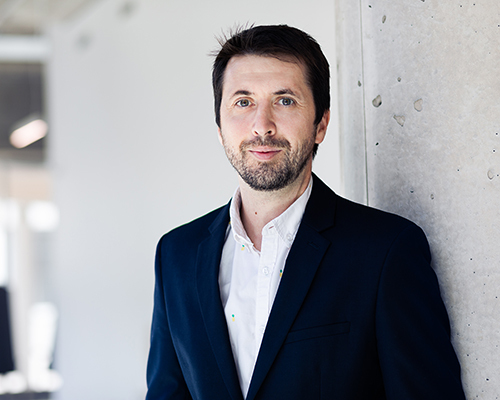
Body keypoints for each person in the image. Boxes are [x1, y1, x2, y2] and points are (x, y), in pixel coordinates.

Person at [146, 25, 465, 400]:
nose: (261, 126)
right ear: (219, 126)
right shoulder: (177, 254)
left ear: (321, 125)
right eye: (243, 102)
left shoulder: (385, 252)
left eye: (285, 101)